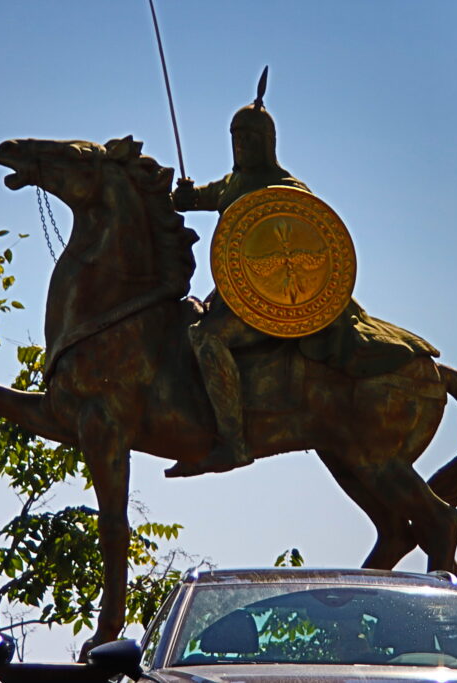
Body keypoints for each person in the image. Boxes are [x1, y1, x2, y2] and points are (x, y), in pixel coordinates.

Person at [168, 70, 305, 477]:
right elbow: (202, 197)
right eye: (236, 138)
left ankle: (233, 442)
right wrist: (185, 197)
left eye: (248, 139)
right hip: (232, 293)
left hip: (273, 302)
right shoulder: (233, 183)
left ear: (266, 143)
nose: (241, 145)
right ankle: (193, 430)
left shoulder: (285, 188)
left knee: (208, 338)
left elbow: (304, 238)